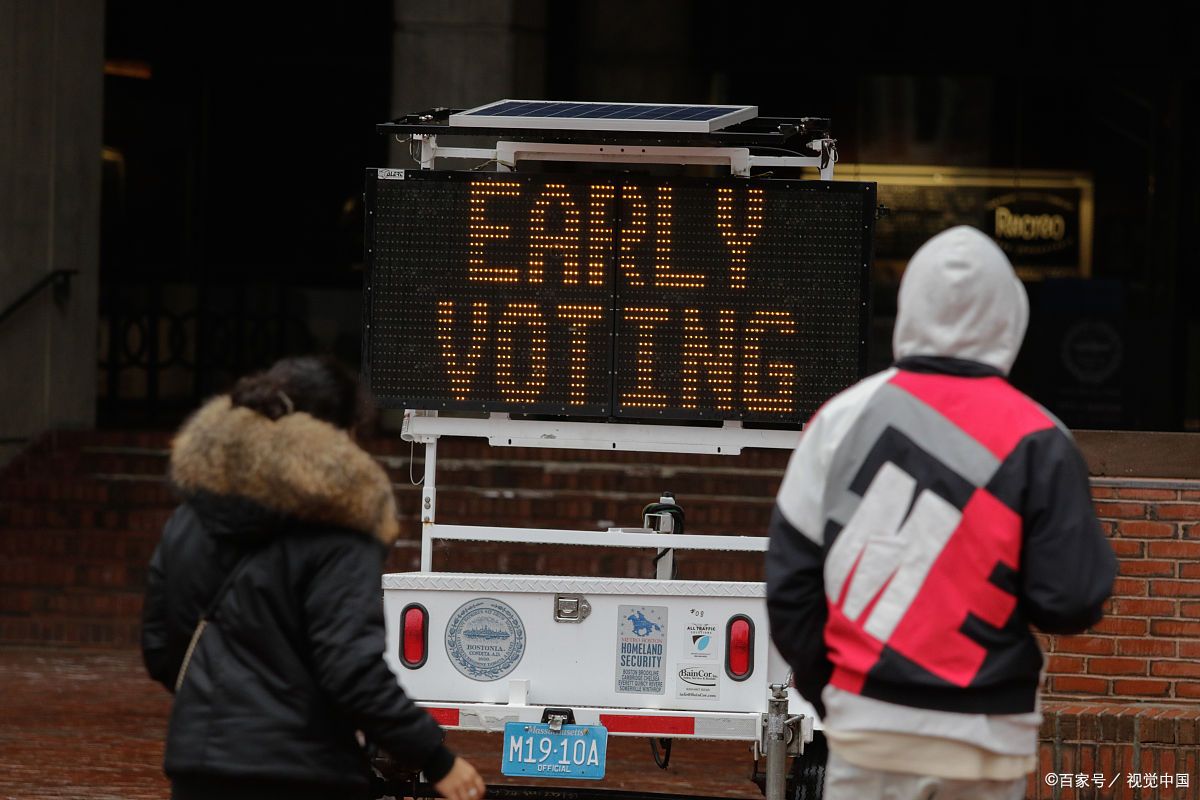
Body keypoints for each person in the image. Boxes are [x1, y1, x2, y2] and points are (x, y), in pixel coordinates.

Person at [766, 226, 1116, 800]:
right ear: (1011, 317)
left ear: (909, 307)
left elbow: (789, 584)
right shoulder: (1042, 439)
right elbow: (1072, 597)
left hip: (866, 729)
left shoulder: (840, 420)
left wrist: (835, 692)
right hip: (983, 739)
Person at [141, 356, 486, 800]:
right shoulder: (341, 527)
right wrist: (436, 759)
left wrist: (220, 704)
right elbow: (350, 669)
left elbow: (158, 647)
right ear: (340, 435)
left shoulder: (189, 519)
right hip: (306, 768)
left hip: (200, 766)